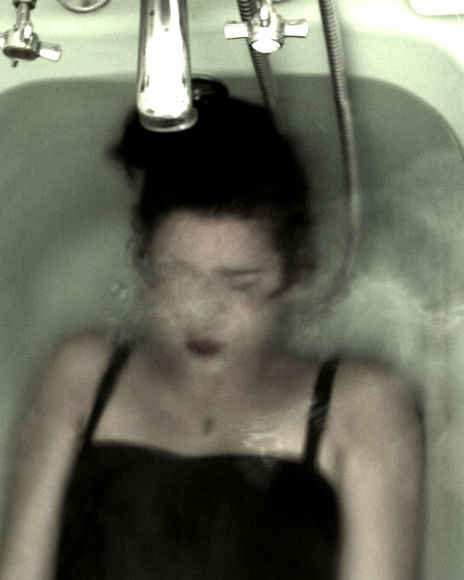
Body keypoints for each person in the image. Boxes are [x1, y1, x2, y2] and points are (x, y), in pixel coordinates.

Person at [0, 80, 423, 580]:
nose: (203, 311)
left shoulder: (360, 406)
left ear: (297, 273)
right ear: (143, 265)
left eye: (239, 283)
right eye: (179, 277)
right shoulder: (83, 374)